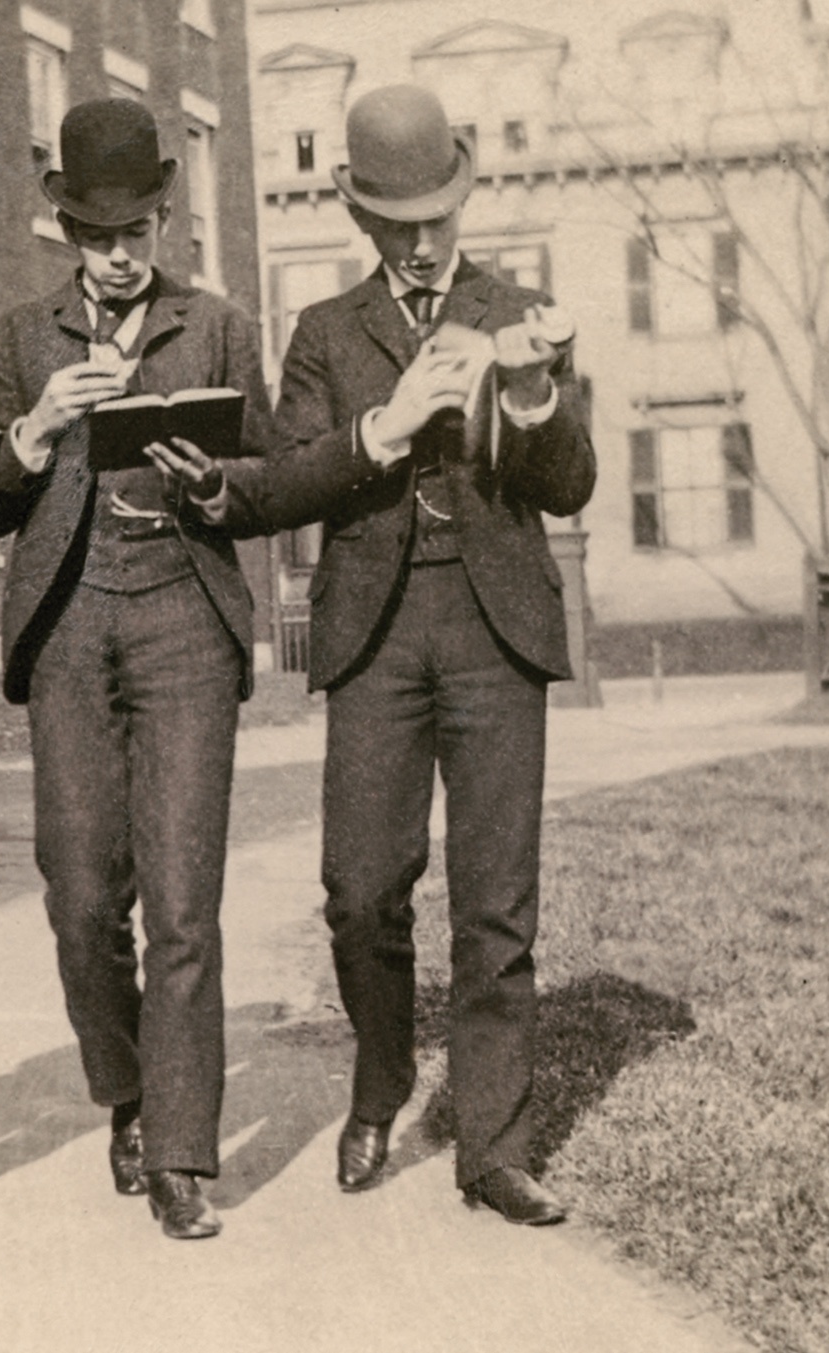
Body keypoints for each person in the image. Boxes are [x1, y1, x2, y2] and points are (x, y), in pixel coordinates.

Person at [260, 84, 596, 1225]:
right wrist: (389, 425)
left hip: (496, 626)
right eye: (394, 222)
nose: (417, 242)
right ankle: (383, 1076)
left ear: (460, 201)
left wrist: (535, 391)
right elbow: (289, 482)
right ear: (360, 217)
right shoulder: (320, 333)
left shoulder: (516, 309)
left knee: (496, 905)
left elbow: (572, 484)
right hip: (376, 631)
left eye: (435, 218)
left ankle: (492, 1150)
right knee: (360, 894)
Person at [0, 98, 275, 1241]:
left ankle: (182, 1155)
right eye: (96, 238)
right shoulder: (15, 340)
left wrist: (216, 485)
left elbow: (274, 477)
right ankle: (128, 1094)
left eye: (136, 233)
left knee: (183, 902)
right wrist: (34, 428)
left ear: (160, 221)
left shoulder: (218, 326)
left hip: (186, 622)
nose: (116, 257)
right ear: (65, 232)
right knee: (82, 892)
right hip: (66, 626)